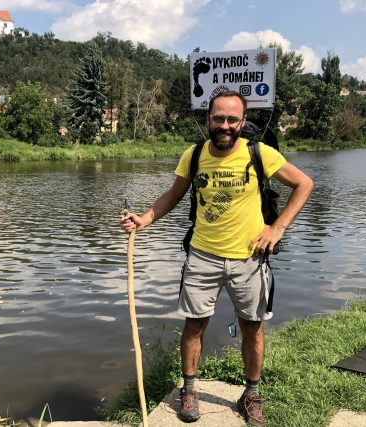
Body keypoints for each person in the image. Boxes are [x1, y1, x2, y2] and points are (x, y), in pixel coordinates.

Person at [120, 90, 313, 426]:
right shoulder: (193, 155)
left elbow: (304, 184)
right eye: (218, 118)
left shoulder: (260, 153)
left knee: (252, 328)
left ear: (243, 122)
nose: (225, 125)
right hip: (202, 257)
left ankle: (251, 395)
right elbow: (175, 193)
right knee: (194, 325)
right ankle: (190, 390)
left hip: (249, 258)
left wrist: (277, 228)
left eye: (232, 119)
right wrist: (145, 219)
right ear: (208, 120)